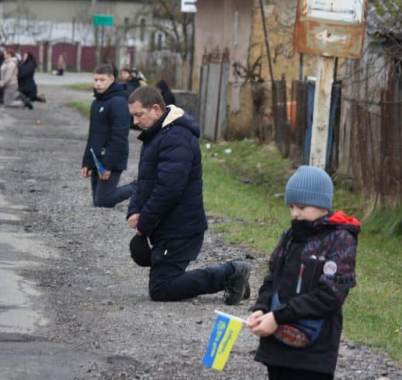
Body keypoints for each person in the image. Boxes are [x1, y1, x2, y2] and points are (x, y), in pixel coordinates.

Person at [126, 86, 251, 304]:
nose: (135, 122)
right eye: (133, 116)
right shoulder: (157, 135)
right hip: (169, 227)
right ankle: (233, 277)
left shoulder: (177, 137)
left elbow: (169, 189)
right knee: (160, 281)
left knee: (161, 289)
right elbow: (144, 180)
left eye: (139, 115)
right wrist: (134, 209)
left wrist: (145, 223)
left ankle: (229, 273)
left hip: (181, 229)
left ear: (156, 109)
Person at [246, 166, 360, 380]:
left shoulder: (340, 240)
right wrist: (261, 307)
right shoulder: (290, 236)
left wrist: (278, 316)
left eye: (302, 207)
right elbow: (272, 278)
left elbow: (331, 295)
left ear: (322, 205)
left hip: (314, 351)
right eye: (291, 207)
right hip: (277, 344)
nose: (295, 213)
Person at [81, 63, 134, 208]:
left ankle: (138, 187)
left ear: (111, 79)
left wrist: (108, 165)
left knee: (103, 201)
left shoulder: (119, 102)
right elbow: (92, 135)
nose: (98, 83)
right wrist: (86, 163)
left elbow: (119, 137)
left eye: (102, 80)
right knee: (98, 201)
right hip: (97, 159)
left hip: (112, 159)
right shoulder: (96, 103)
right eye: (96, 79)